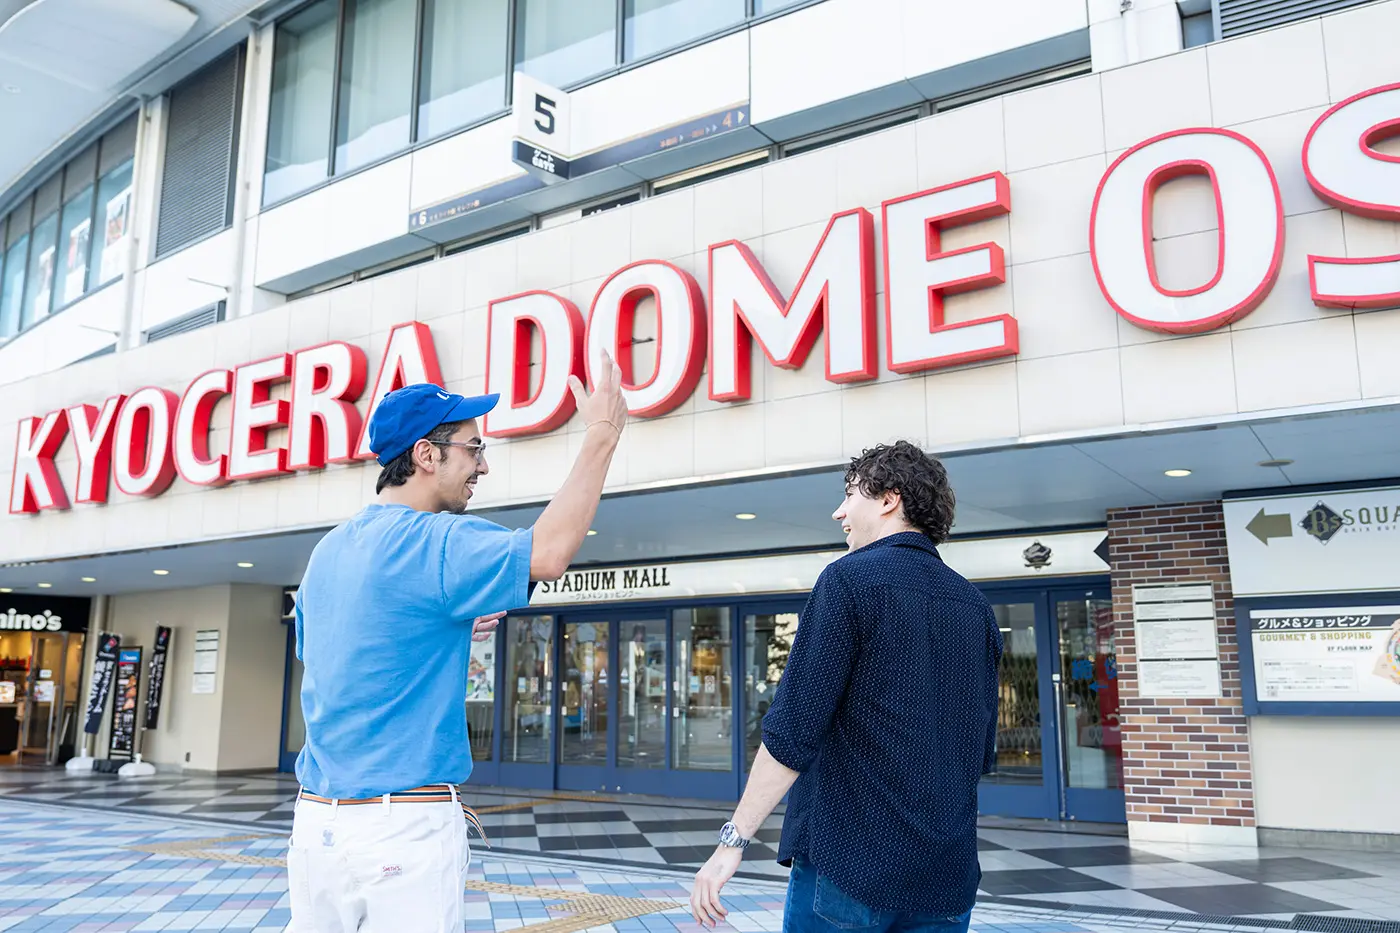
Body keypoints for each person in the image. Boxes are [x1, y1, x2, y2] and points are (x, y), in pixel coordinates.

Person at [288, 354, 627, 933]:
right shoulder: (436, 540)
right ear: (426, 454)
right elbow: (547, 552)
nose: (483, 467)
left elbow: (339, 656)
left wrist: (435, 631)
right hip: (402, 831)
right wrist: (601, 435)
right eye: (474, 449)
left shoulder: (328, 552)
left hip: (316, 827)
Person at [690, 440, 1003, 933]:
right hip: (947, 872)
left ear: (888, 500)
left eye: (850, 494)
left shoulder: (848, 582)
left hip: (850, 866)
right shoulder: (975, 606)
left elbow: (794, 729)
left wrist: (732, 842)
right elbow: (981, 749)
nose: (839, 512)